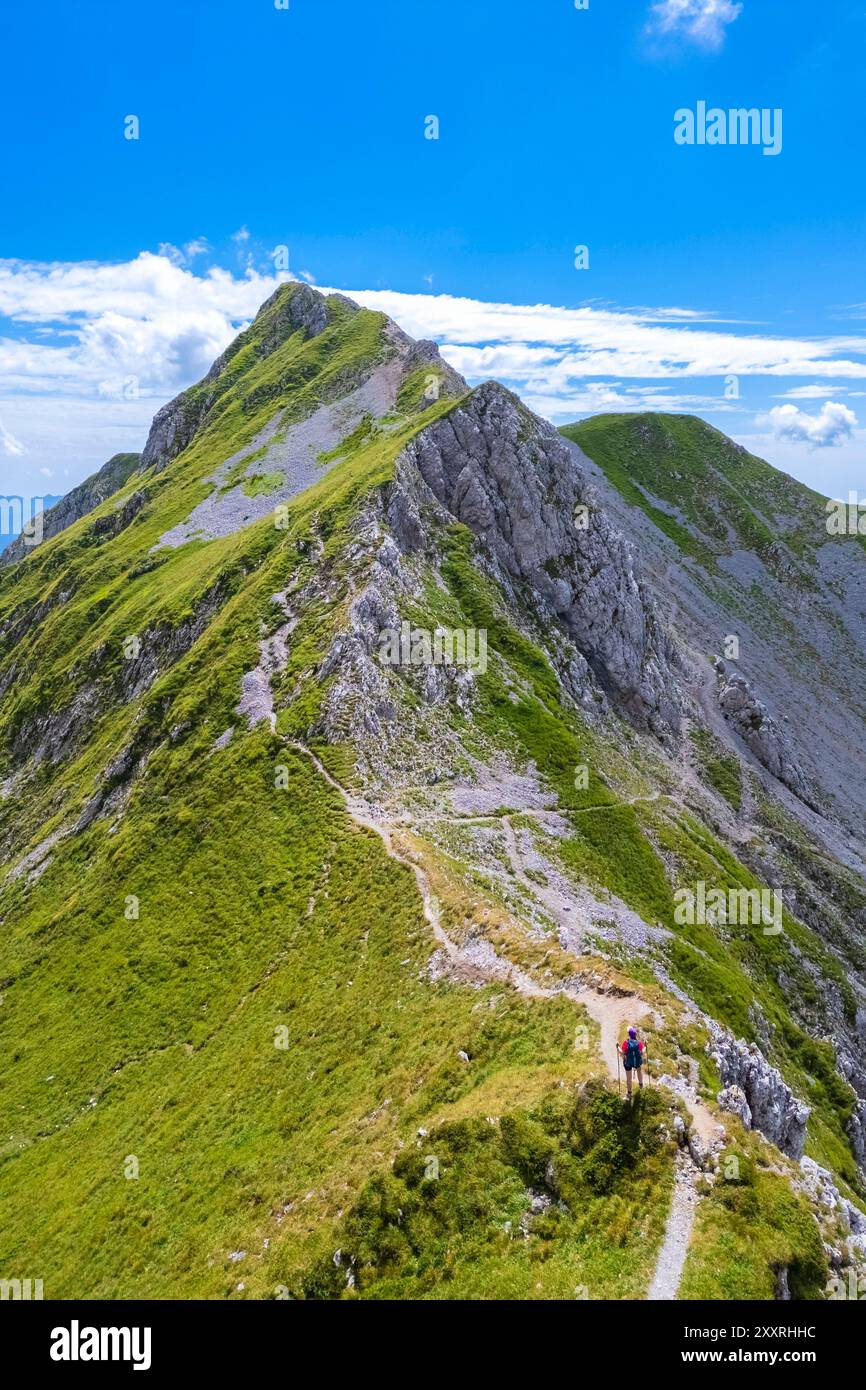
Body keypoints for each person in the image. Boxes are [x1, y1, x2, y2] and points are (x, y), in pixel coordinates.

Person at [620, 1026, 645, 1099]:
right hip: (637, 1062)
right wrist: (645, 1046)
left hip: (628, 1063)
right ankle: (641, 1085)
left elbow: (622, 1052)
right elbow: (642, 1051)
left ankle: (629, 1093)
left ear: (629, 1034)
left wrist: (617, 1047)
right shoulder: (639, 1043)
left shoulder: (626, 1042)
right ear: (635, 1035)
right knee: (639, 1071)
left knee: (629, 1078)